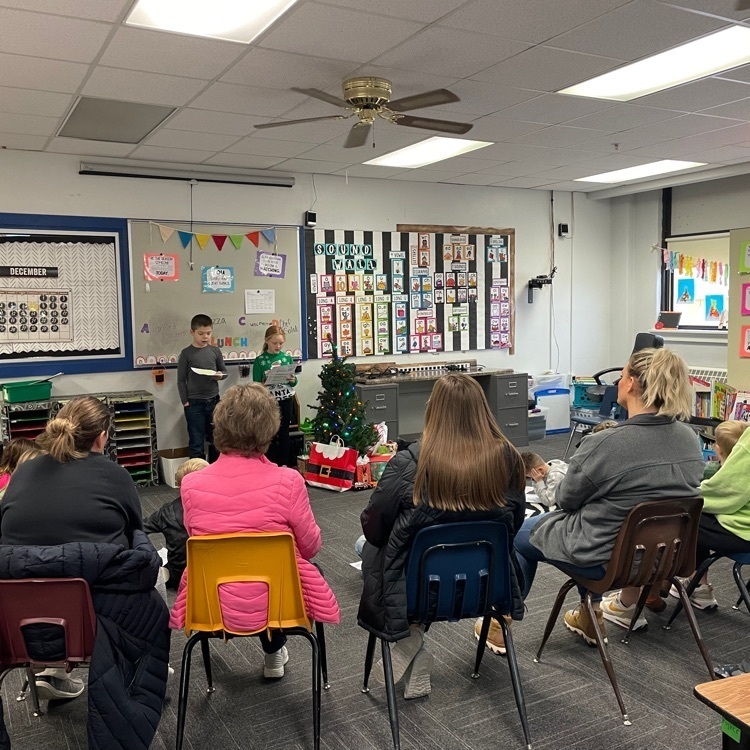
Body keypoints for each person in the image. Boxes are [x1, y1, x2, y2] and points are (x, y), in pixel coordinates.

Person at [0, 397, 169, 746]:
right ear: (102, 437)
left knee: (53, 578)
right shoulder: (113, 474)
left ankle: (51, 672)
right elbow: (133, 530)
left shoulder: (22, 472)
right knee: (148, 588)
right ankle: (138, 678)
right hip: (93, 618)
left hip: (18, 620)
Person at [514, 348, 703, 644]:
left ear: (630, 384)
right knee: (599, 524)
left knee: (518, 532)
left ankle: (502, 623)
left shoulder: (605, 442)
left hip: (607, 559)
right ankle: (591, 615)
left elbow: (565, 500)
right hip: (664, 560)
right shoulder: (690, 439)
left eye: (622, 375)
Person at [357, 374, 526, 698]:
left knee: (369, 550)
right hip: (487, 589)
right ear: (483, 412)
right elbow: (513, 526)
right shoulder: (509, 459)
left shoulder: (408, 463)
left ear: (432, 411)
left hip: (416, 594)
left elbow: (375, 529)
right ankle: (413, 650)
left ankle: (411, 642)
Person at [169, 384, 339, 679]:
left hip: (212, 603)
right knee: (295, 567)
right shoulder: (288, 481)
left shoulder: (191, 484)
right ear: (268, 430)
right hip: (280, 604)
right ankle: (275, 651)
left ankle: (267, 653)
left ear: (219, 426)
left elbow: (196, 540)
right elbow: (311, 548)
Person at [668, 422, 750, 609]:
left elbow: (726, 493)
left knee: (689, 513)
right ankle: (697, 584)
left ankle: (688, 583)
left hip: (743, 534)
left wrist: (684, 492)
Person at [143, 457, 208, 589]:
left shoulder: (167, 512)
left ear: (179, 486)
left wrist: (152, 556)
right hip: (216, 574)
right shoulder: (223, 511)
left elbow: (139, 528)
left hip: (179, 578)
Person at [177, 314, 228, 463]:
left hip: (213, 401)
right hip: (194, 403)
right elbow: (181, 380)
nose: (205, 337)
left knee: (217, 439)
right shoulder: (186, 353)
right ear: (192, 332)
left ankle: (217, 471)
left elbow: (224, 372)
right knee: (196, 441)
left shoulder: (215, 351)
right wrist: (185, 402)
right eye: (201, 333)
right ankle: (196, 474)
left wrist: (220, 376)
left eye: (208, 333)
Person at [253, 325, 298, 467]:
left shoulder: (287, 358)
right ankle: (270, 464)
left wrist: (292, 380)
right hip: (269, 401)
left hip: (285, 398)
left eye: (281, 343)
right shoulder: (260, 361)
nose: (278, 346)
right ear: (267, 341)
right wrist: (264, 383)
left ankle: (284, 464)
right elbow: (256, 385)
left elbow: (294, 382)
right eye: (275, 343)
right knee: (270, 433)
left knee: (284, 432)